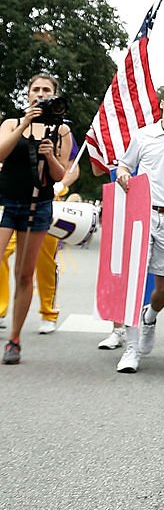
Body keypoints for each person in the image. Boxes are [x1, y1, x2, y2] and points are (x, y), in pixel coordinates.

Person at [105, 84, 164, 373]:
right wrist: (123, 176)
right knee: (135, 284)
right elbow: (124, 166)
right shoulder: (143, 135)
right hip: (141, 214)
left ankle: (151, 316)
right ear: (162, 104)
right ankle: (131, 349)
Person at [0, 74, 74, 365]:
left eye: (46, 90)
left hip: (39, 204)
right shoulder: (10, 123)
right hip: (7, 203)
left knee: (24, 273)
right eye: (36, 90)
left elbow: (60, 175)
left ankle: (14, 339)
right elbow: (2, 153)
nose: (40, 94)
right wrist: (24, 124)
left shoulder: (61, 130)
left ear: (54, 95)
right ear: (28, 93)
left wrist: (50, 156)